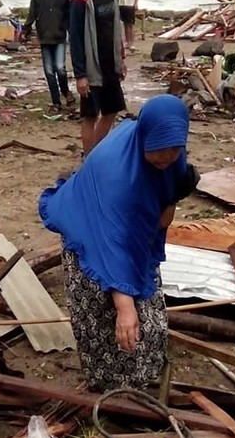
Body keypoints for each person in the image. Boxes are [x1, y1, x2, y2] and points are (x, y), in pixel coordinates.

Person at [38, 95, 200, 391]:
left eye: (174, 152)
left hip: (131, 231)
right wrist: (125, 307)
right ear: (144, 140)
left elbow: (162, 220)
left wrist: (174, 195)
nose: (165, 159)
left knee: (147, 316)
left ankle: (142, 382)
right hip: (91, 230)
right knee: (103, 316)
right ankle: (108, 389)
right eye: (157, 153)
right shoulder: (116, 176)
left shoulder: (171, 151)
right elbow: (113, 247)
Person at [69, 0, 126, 155]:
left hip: (110, 64)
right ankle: (89, 161)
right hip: (91, 68)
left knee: (111, 111)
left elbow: (116, 28)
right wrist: (80, 75)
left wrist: (121, 59)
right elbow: (74, 39)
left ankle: (96, 155)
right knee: (90, 116)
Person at [23, 0, 75, 114]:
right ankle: (56, 102)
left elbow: (70, 15)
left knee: (60, 68)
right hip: (44, 36)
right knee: (49, 71)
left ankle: (66, 92)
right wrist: (26, 29)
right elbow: (32, 12)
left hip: (59, 36)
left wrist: (73, 34)